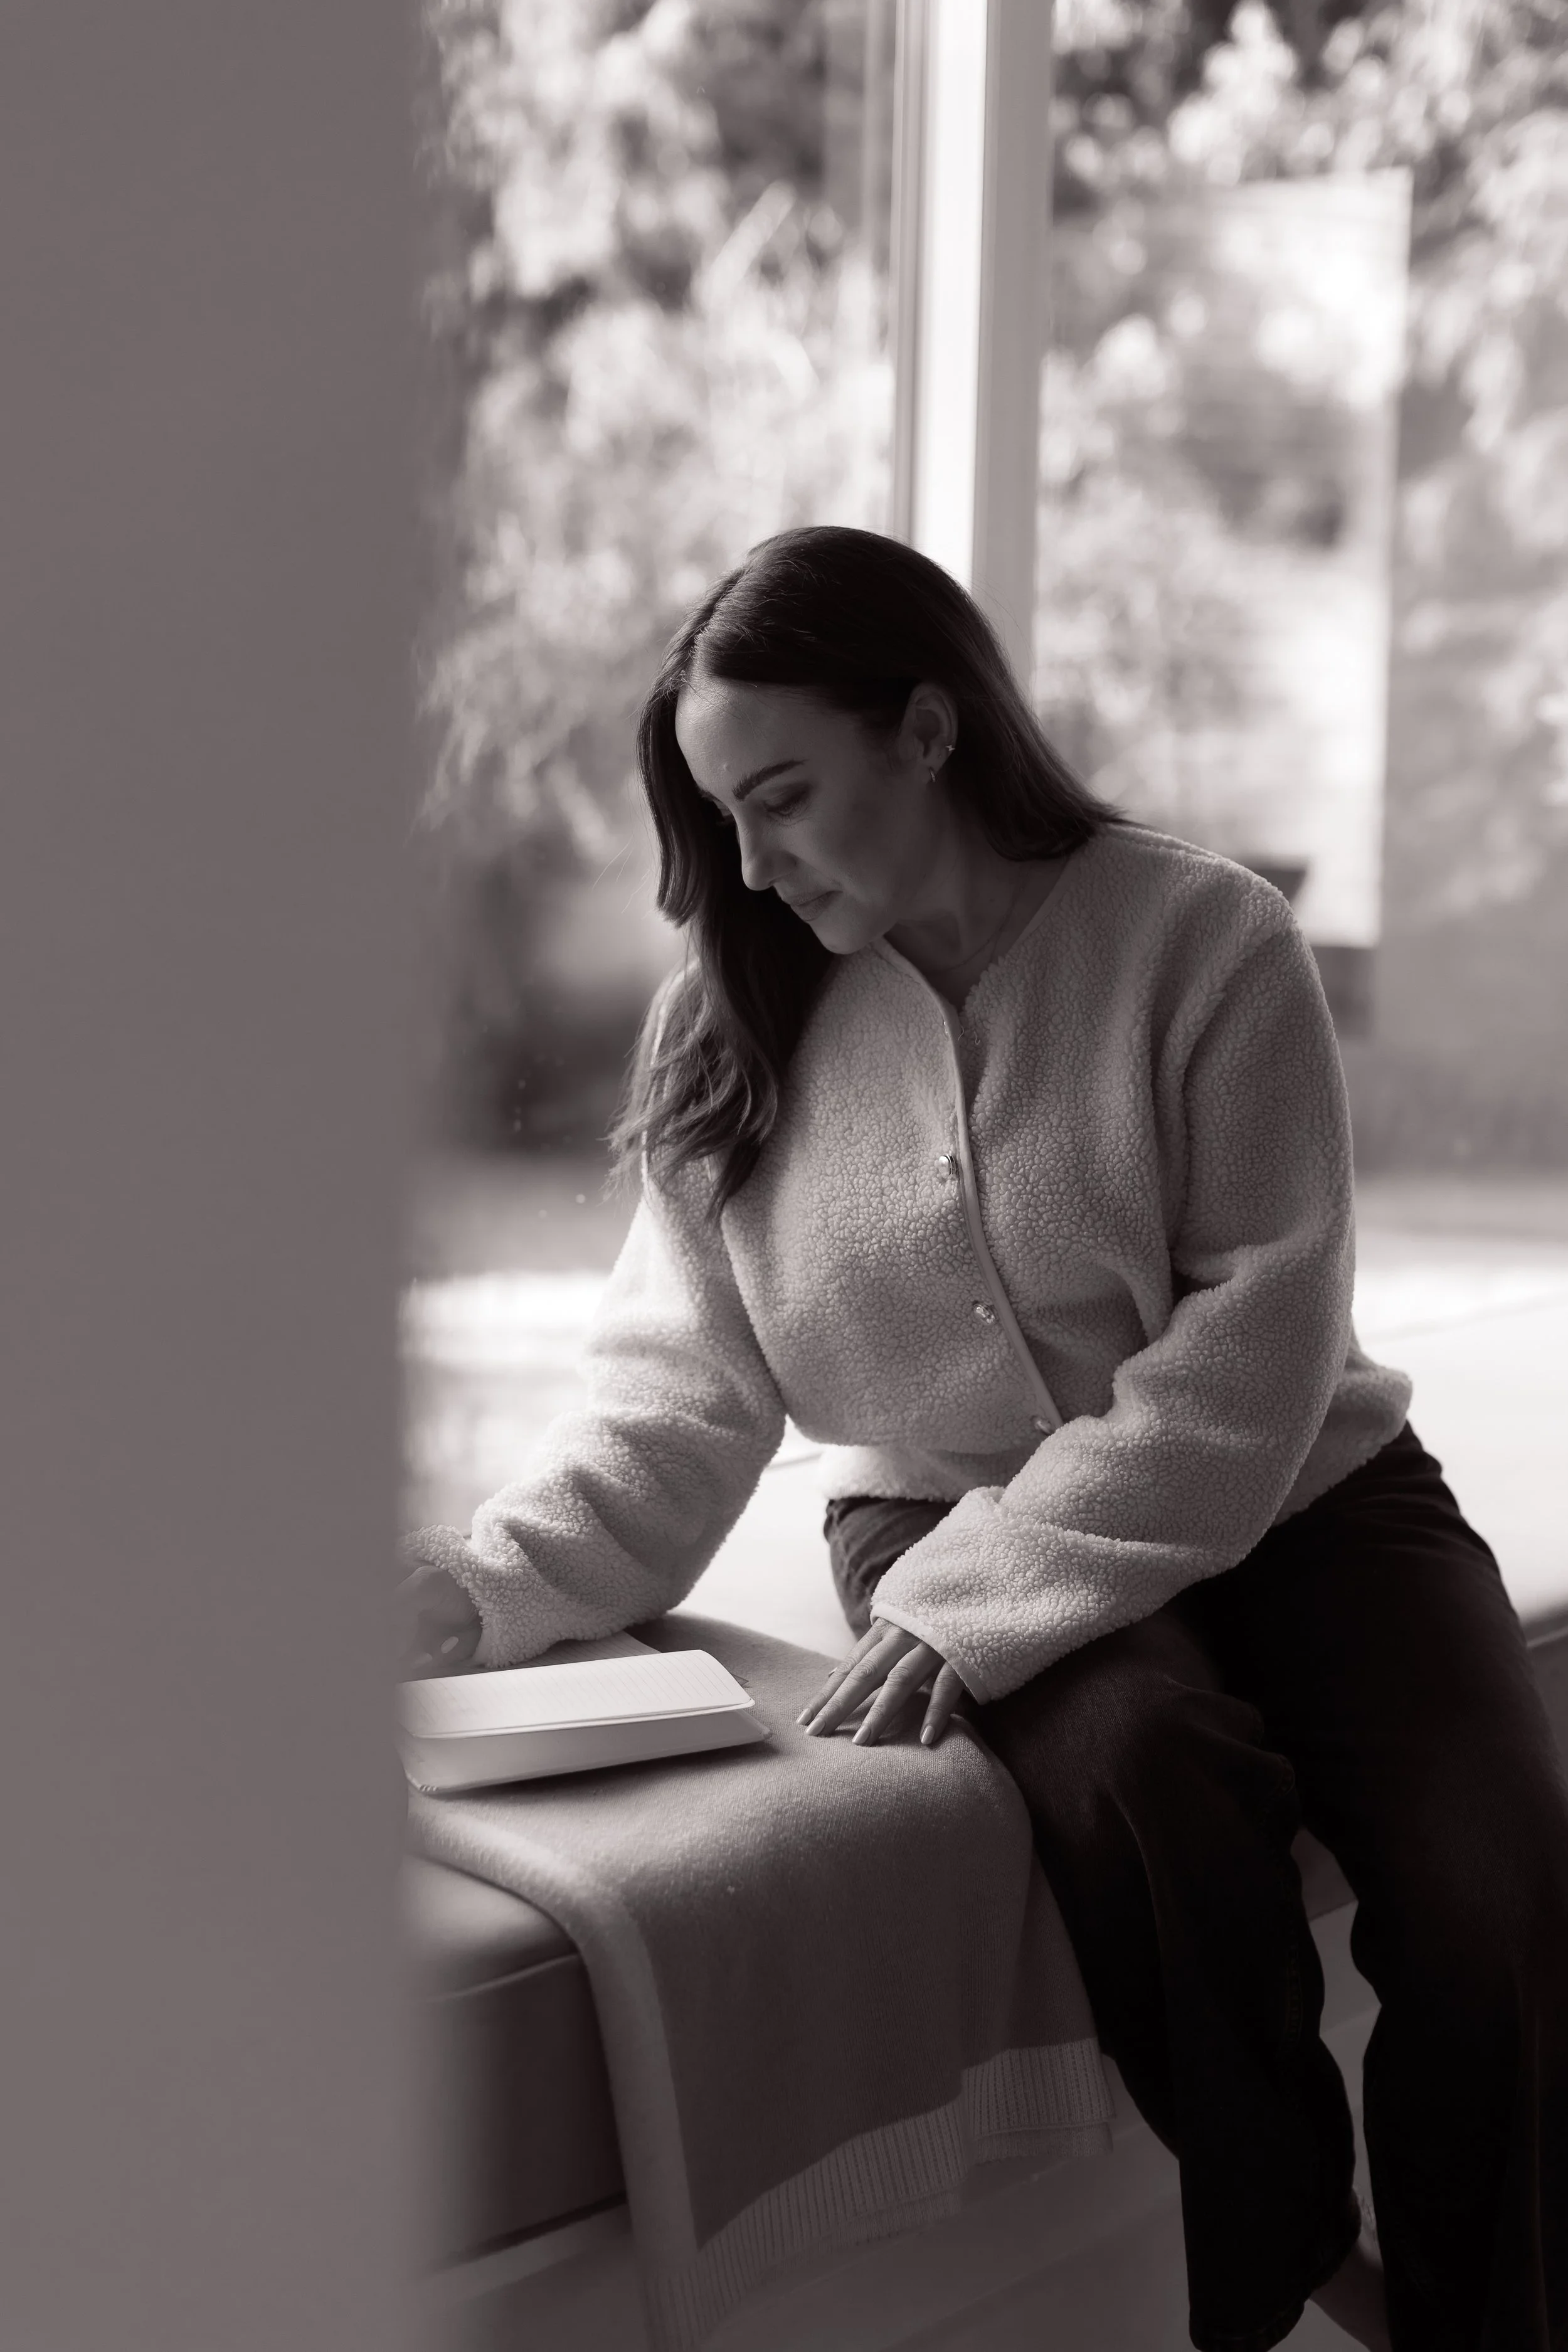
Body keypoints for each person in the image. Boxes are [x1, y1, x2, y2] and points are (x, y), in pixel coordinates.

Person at [398, 526, 1568, 2351]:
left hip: (1308, 1494)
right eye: (722, 819)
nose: (752, 865)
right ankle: (1292, 2258)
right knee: (1147, 1779)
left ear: (929, 729)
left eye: (781, 799)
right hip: (938, 1513)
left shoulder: (1199, 938)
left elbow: (1260, 1331)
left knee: (1499, 1868)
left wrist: (985, 1603)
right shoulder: (732, 1012)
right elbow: (674, 1394)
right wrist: (474, 1591)